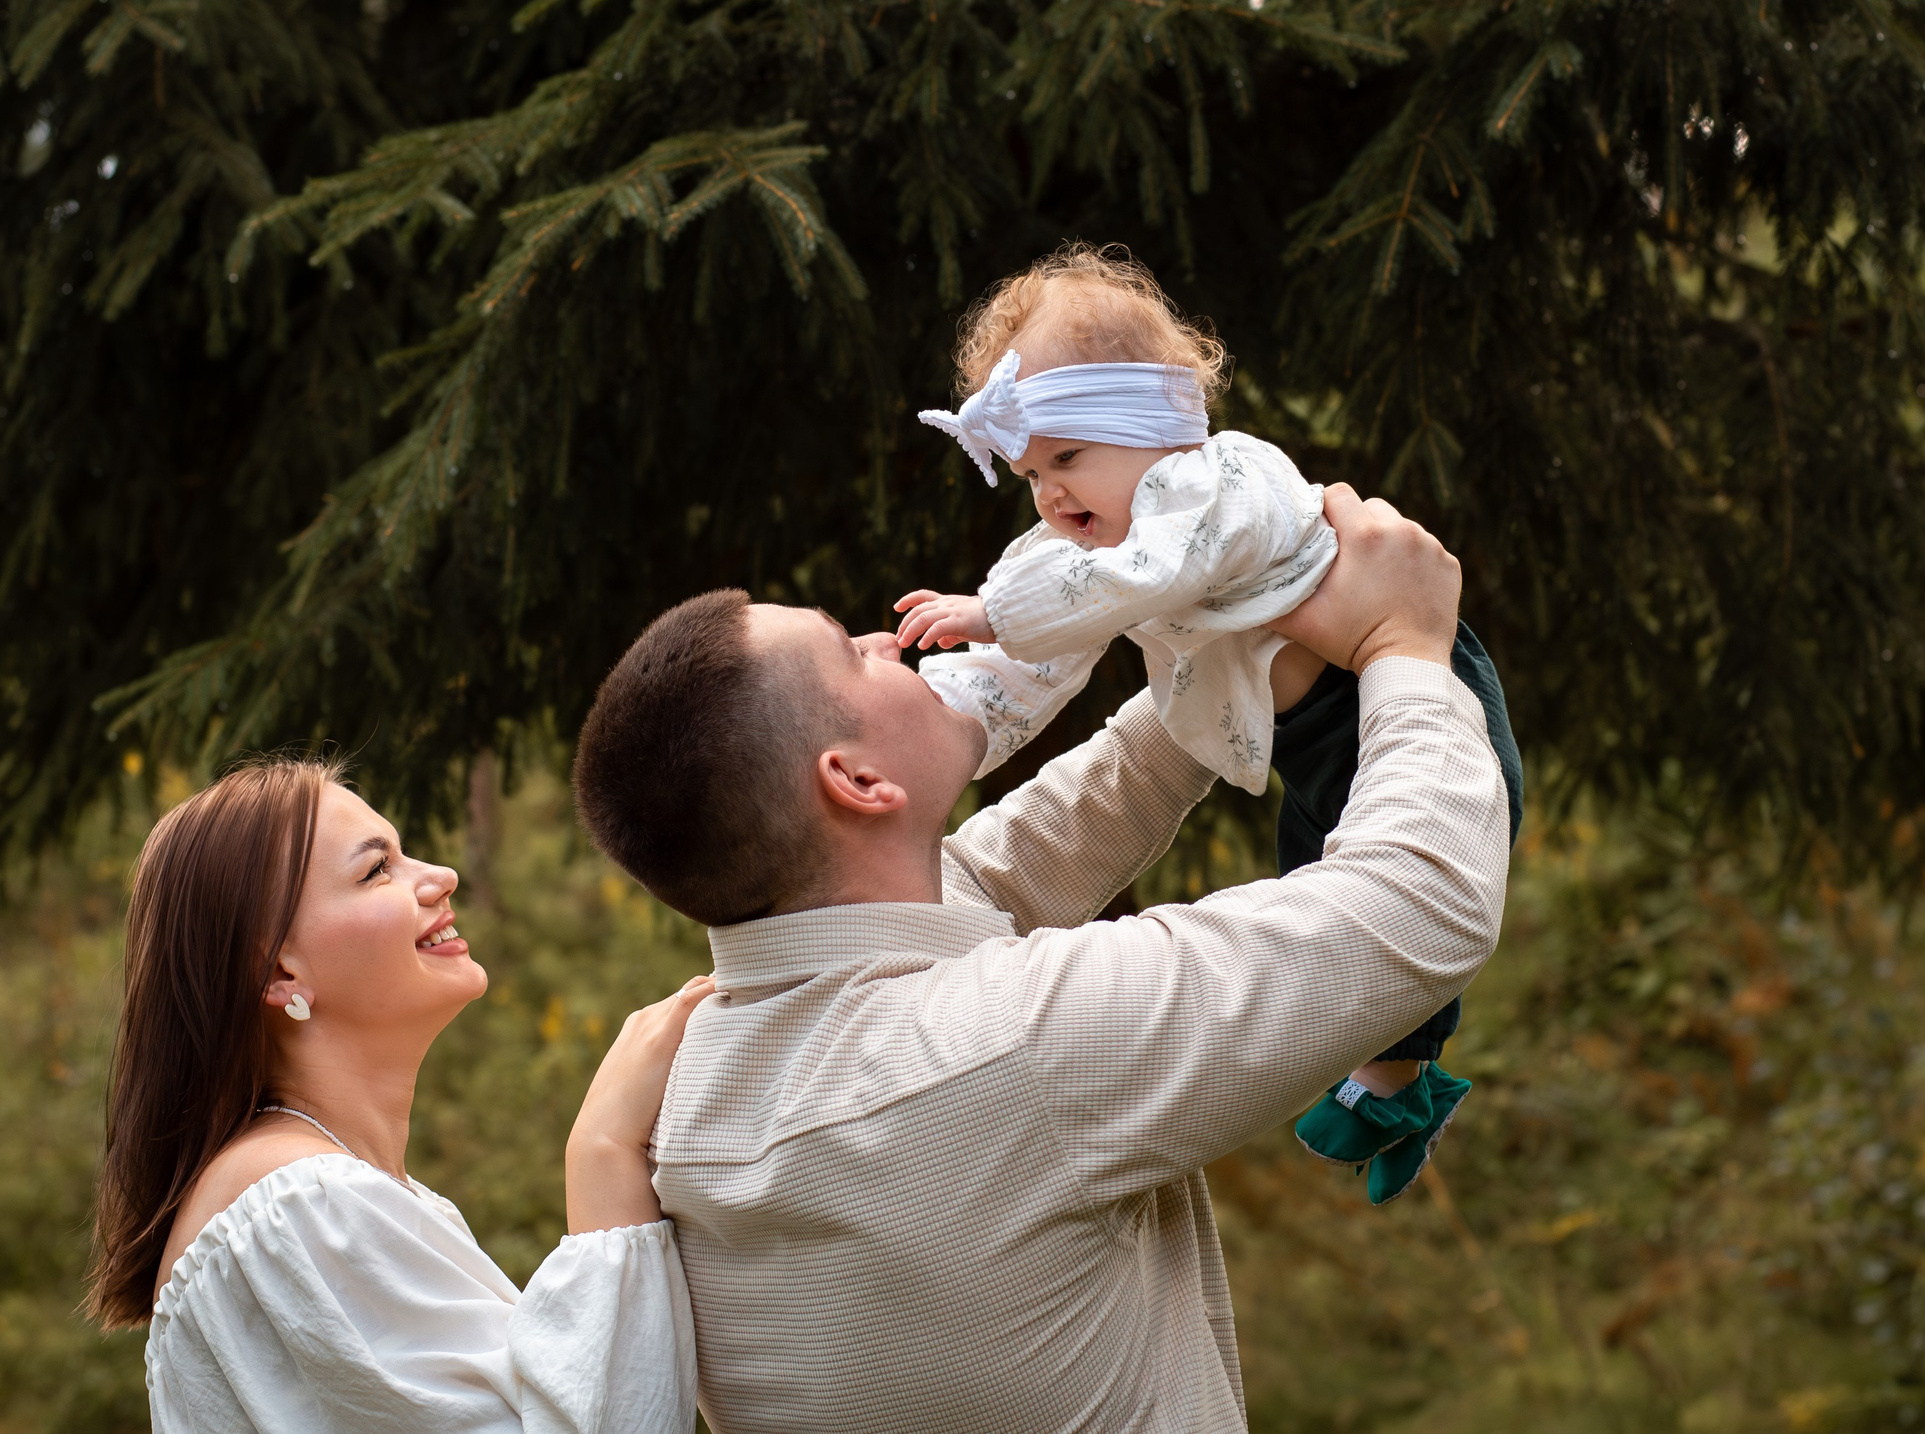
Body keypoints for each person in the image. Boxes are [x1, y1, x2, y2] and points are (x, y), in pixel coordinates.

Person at [570, 483, 1509, 1432]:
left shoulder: (696, 1080)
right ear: (857, 780)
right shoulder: (1007, 1049)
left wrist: (1233, 637)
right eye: (849, 653)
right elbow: (1420, 906)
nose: (884, 641)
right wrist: (1404, 646)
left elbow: (1058, 835)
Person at [894, 244, 1524, 1202]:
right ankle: (1400, 1083)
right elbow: (1042, 653)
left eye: (1067, 458)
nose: (1051, 497)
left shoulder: (1220, 482)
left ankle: (1397, 1082)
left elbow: (1141, 582)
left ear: (1152, 425)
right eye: (1029, 474)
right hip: (1307, 732)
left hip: (1391, 689)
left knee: (1427, 858)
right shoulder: (1085, 541)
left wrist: (994, 609)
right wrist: (937, 714)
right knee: (1319, 883)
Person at [85, 754, 703, 1434]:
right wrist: (604, 1146)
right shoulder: (301, 1205)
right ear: (280, 970)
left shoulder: (342, 1196)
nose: (441, 878)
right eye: (377, 869)